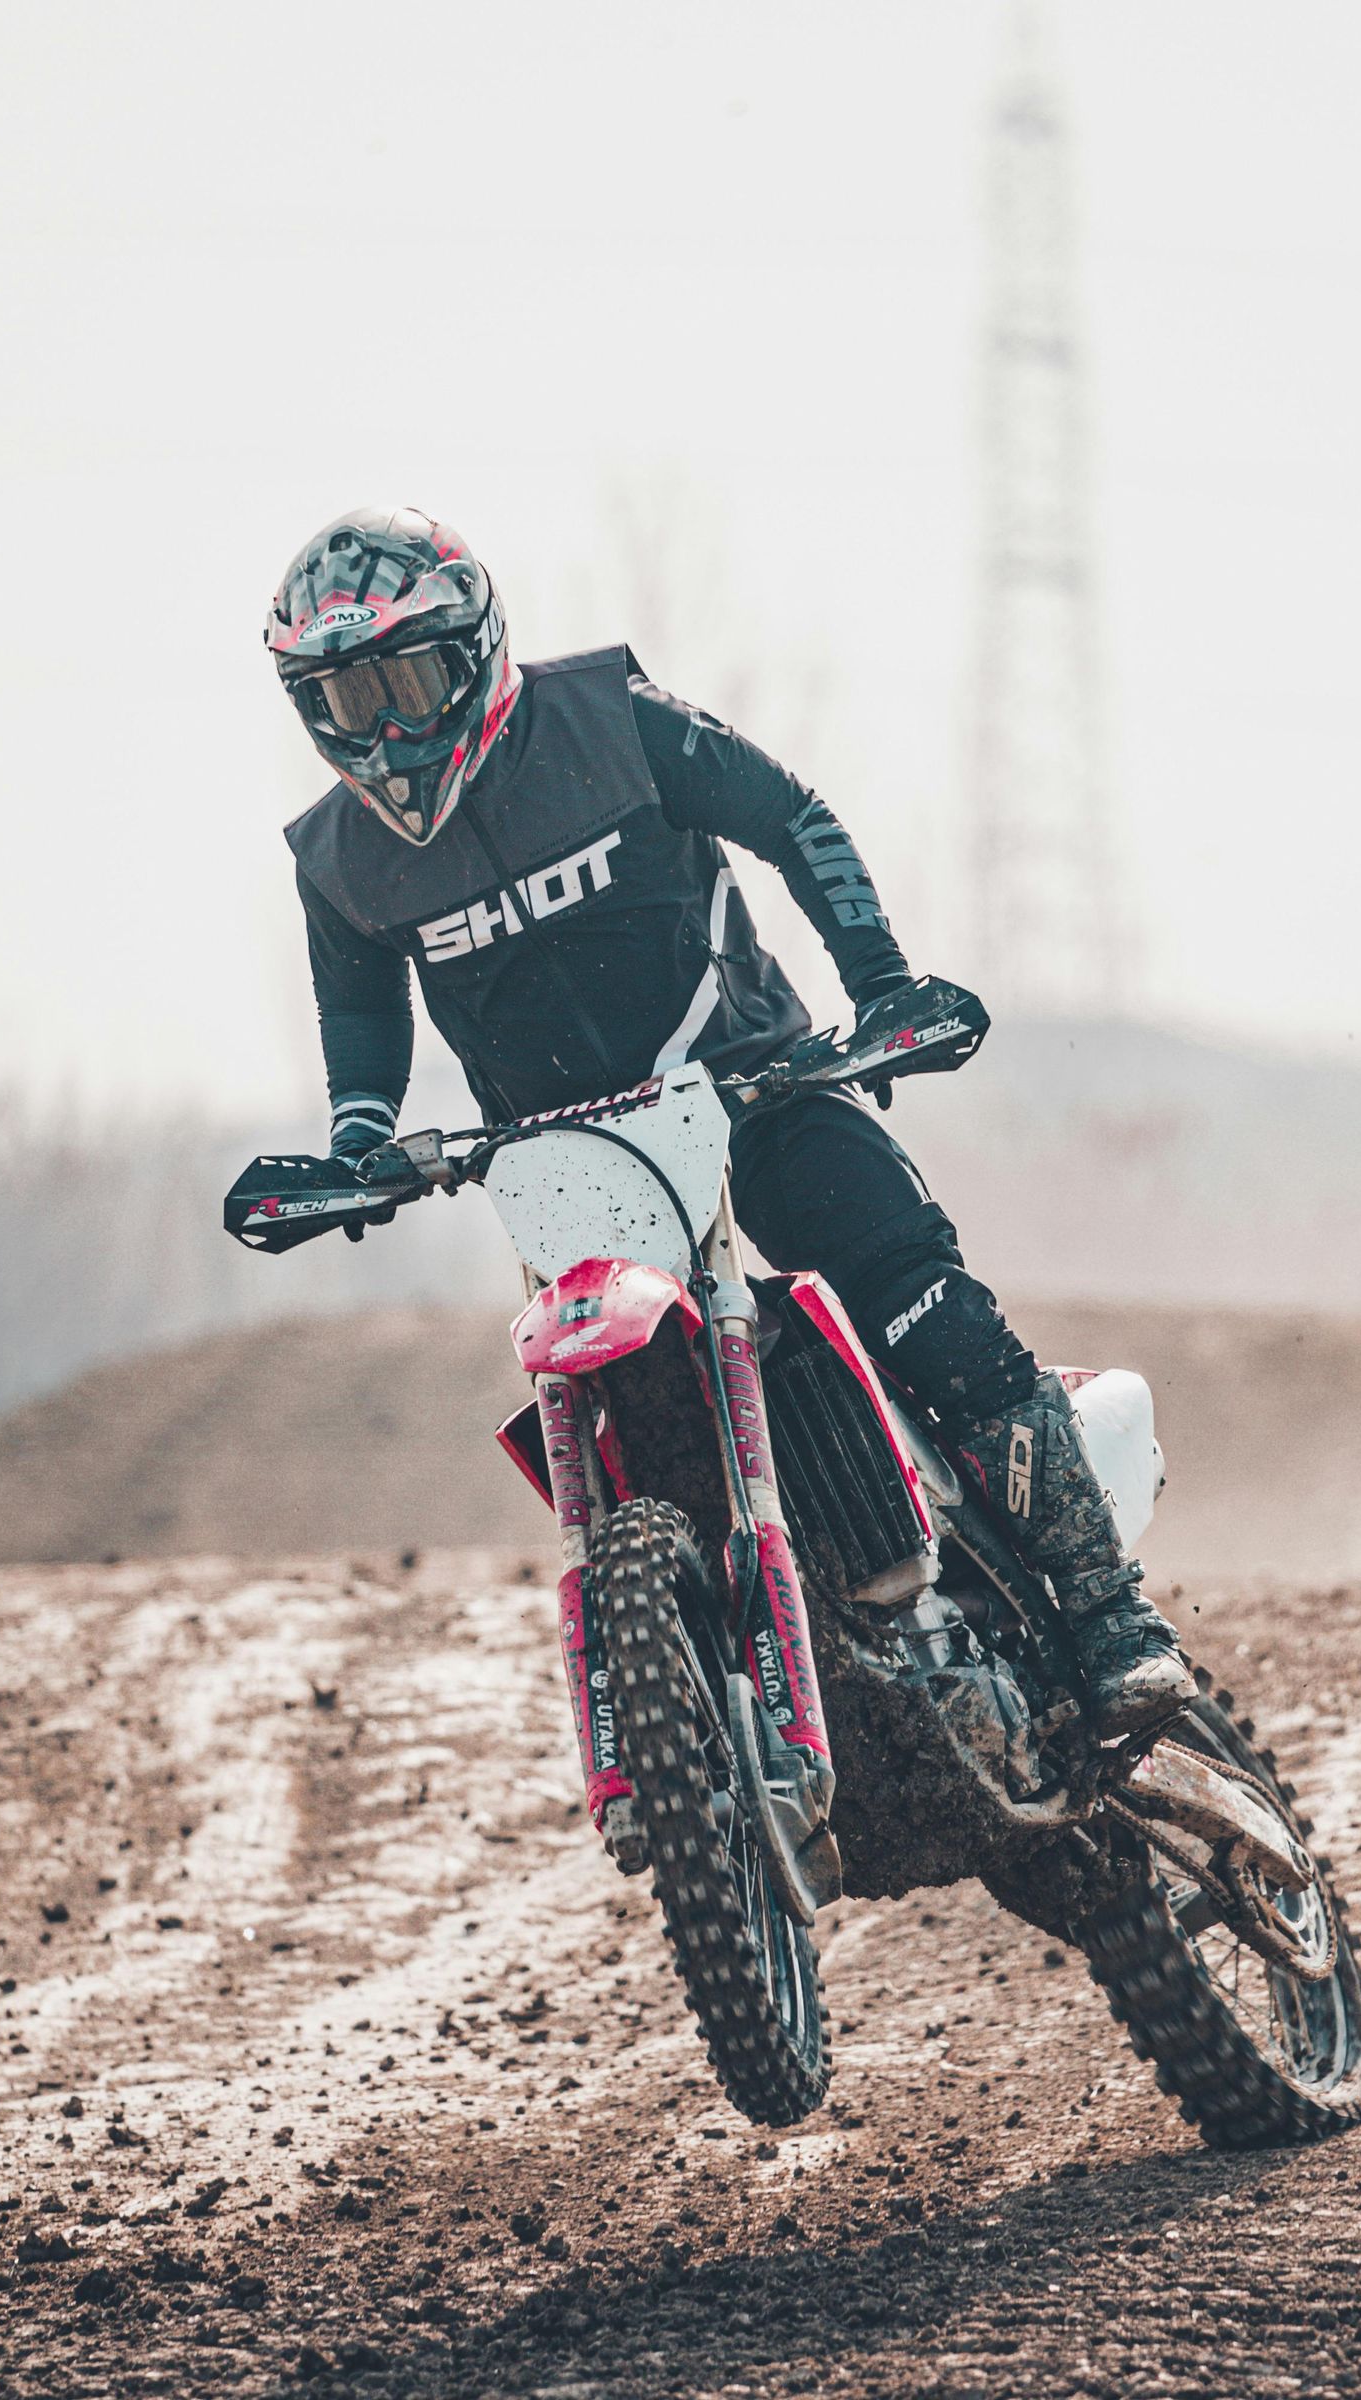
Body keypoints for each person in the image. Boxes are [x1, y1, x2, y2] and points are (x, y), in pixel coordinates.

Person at [267, 504, 1195, 1745]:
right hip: (574, 1165)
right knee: (632, 1419)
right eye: (347, 700)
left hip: (760, 1090)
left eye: (406, 683)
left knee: (927, 1312)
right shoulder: (339, 858)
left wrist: (881, 983)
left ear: (474, 647)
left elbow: (792, 817)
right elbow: (359, 1007)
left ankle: (1110, 1615)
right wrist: (358, 1138)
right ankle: (724, 1680)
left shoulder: (611, 720)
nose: (386, 730)